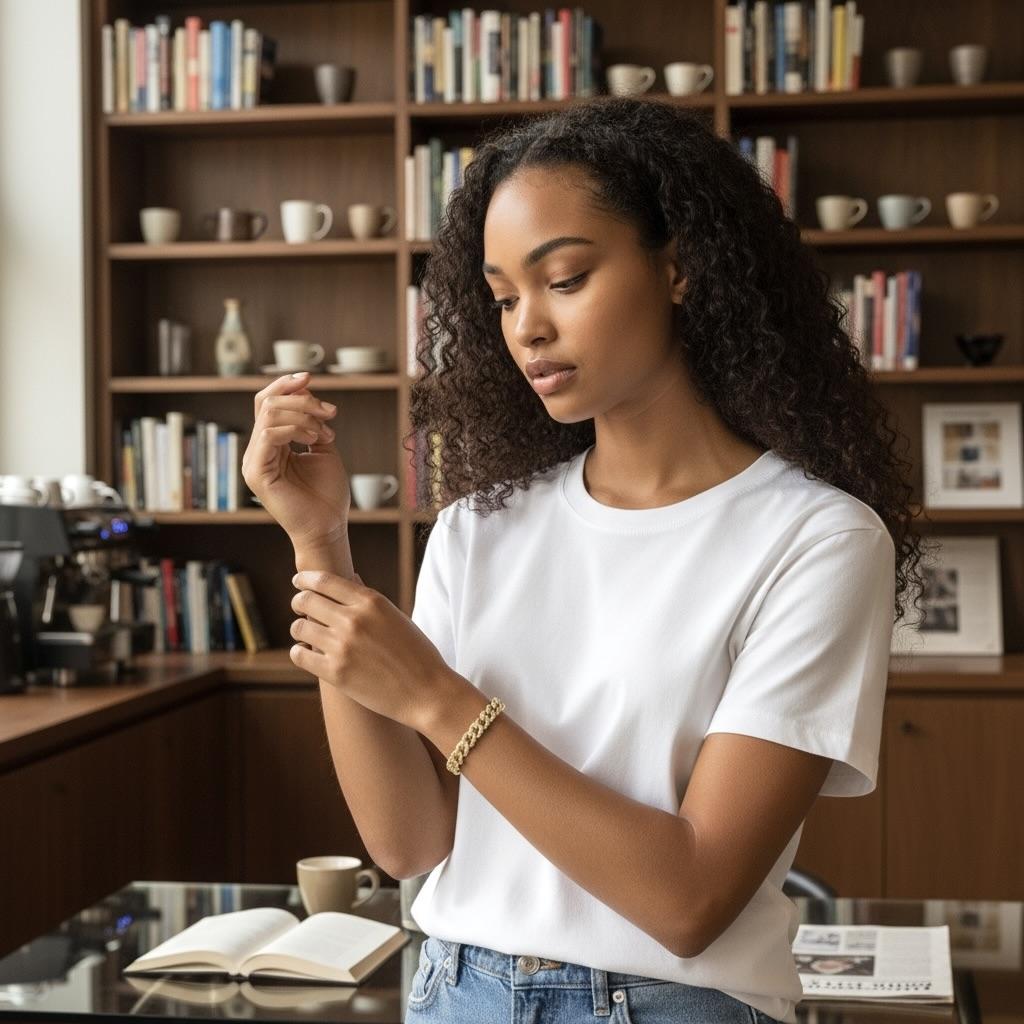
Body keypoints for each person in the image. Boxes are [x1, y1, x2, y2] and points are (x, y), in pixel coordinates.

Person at [242, 96, 926, 1024]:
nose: (526, 327)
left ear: (679, 267)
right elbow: (405, 845)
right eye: (503, 298)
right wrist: (319, 545)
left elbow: (689, 899)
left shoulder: (816, 540)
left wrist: (437, 700)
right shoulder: (480, 528)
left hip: (675, 1004)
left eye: (563, 279)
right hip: (454, 991)